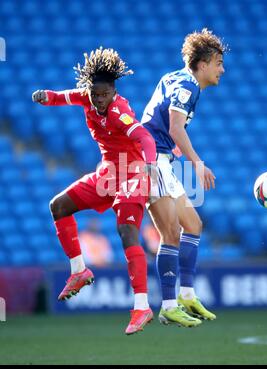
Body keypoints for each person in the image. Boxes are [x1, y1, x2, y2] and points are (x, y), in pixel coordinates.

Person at [32, 47, 157, 335]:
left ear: (113, 92)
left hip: (133, 173)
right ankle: (79, 271)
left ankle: (141, 306)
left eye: (104, 95)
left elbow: (144, 137)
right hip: (106, 175)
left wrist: (150, 165)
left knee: (127, 232)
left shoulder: (119, 111)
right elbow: (61, 97)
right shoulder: (85, 97)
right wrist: (45, 96)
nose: (99, 100)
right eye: (95, 94)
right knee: (58, 206)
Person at [141, 28, 227, 327]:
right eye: (218, 63)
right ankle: (167, 305)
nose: (222, 69)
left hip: (159, 157)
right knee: (171, 234)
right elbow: (176, 127)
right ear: (202, 64)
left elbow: (159, 120)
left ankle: (187, 294)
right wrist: (198, 164)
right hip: (150, 161)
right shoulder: (188, 87)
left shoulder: (173, 78)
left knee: (193, 224)